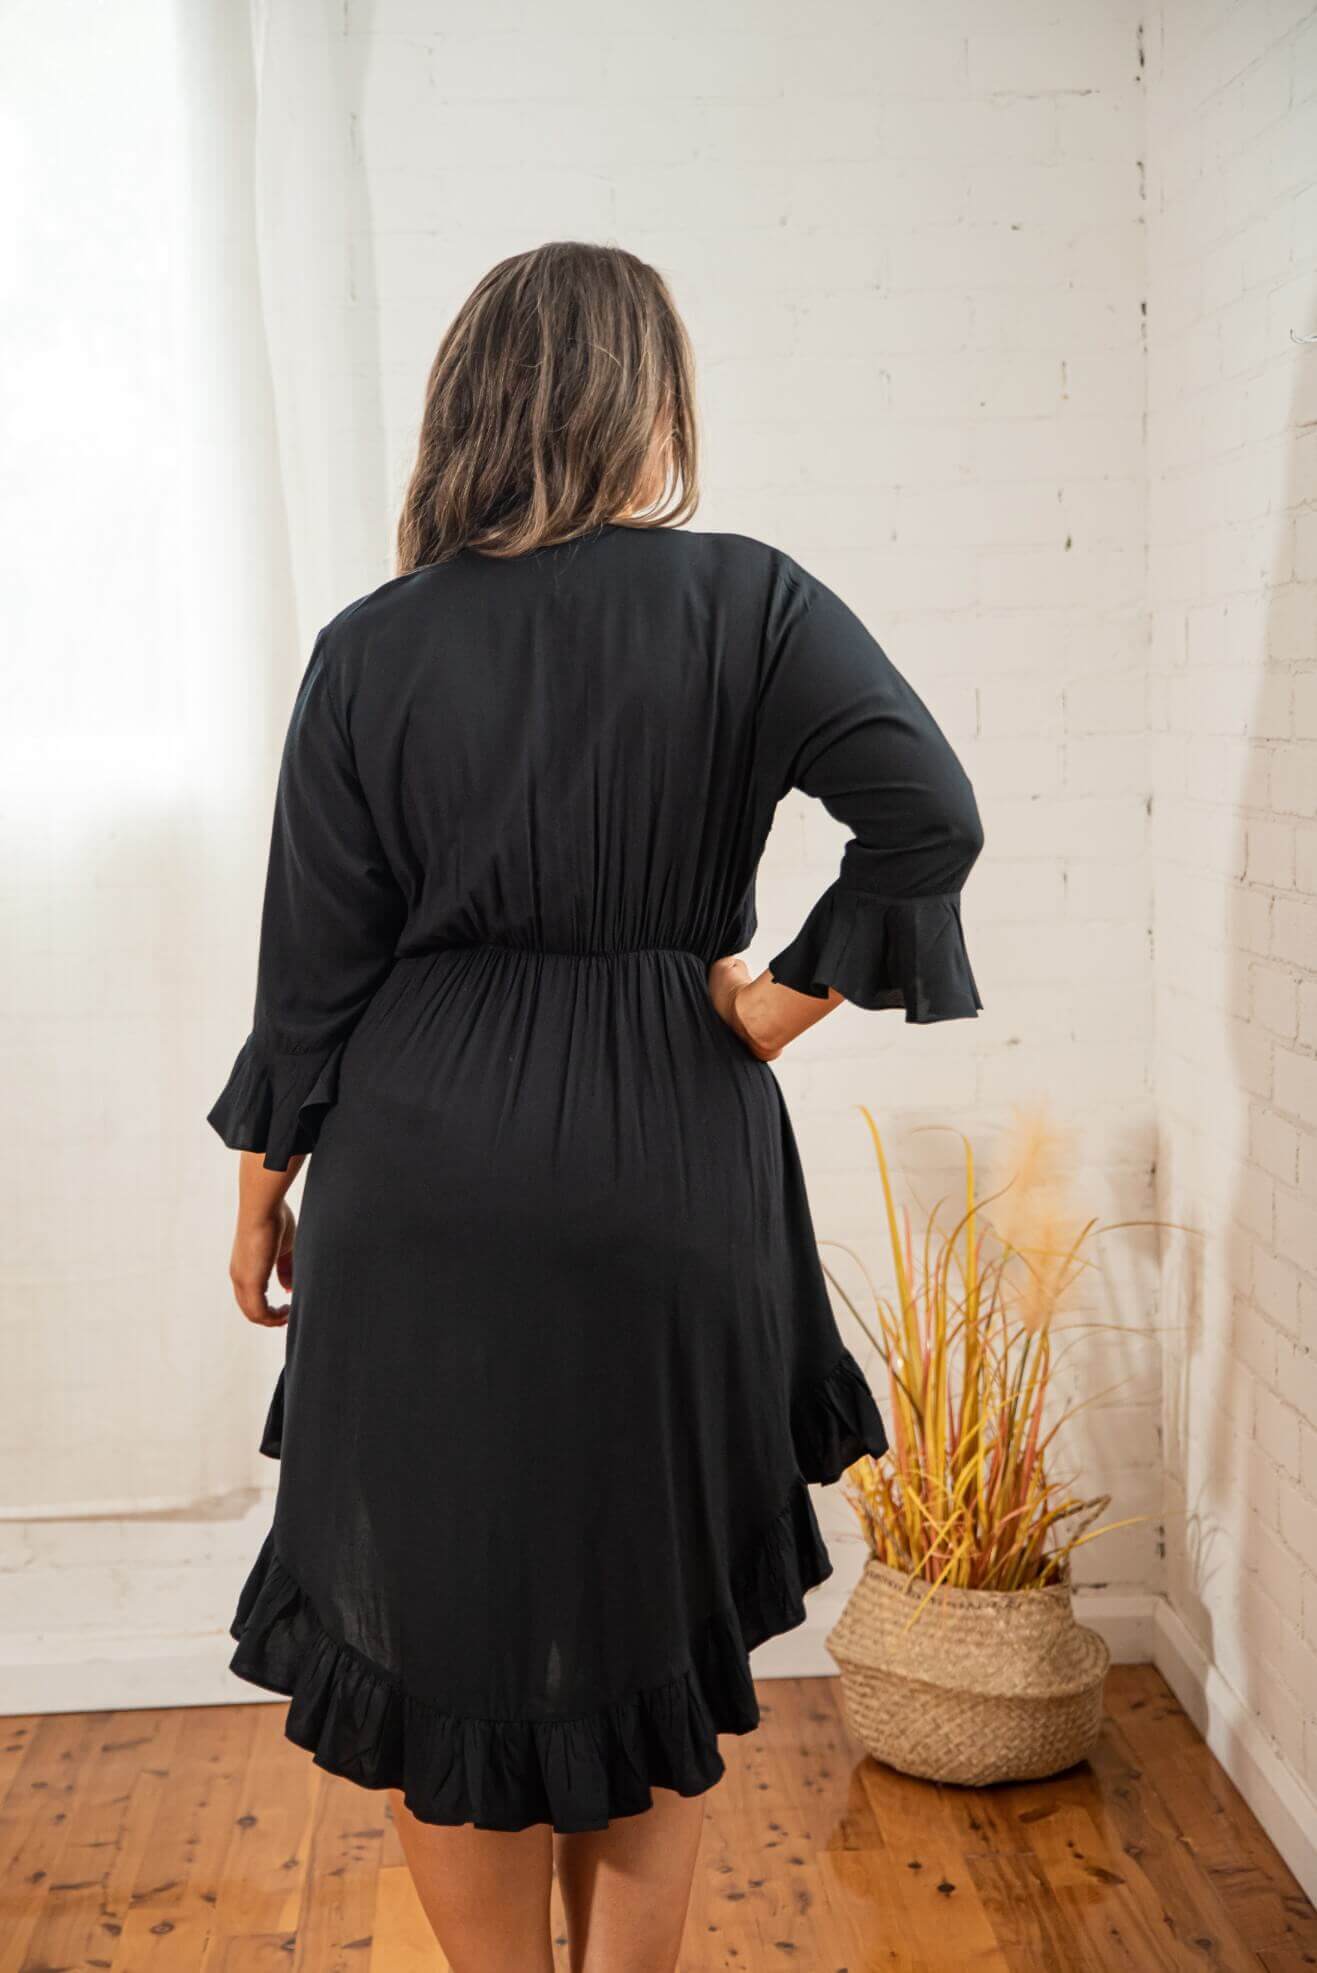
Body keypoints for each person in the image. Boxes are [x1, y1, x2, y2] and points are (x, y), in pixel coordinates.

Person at [209, 240, 983, 1973]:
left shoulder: (370, 646)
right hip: (665, 1151)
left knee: (437, 1626)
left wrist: (263, 1187)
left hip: (420, 1164)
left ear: (466, 407)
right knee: (646, 1623)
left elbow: (311, 965)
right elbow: (928, 815)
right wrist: (767, 1004)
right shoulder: (750, 600)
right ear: (651, 402)